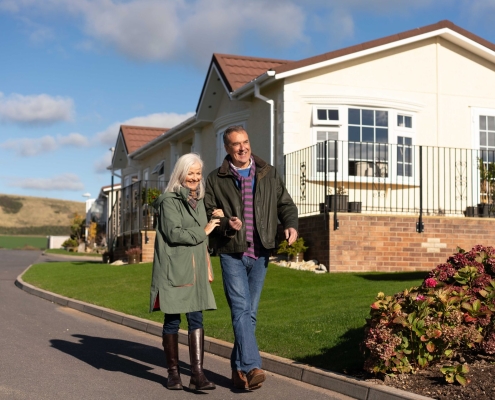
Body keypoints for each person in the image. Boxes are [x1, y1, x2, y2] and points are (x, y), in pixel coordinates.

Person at [204, 125, 298, 390]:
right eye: (236, 144)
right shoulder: (215, 179)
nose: (242, 148)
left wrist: (291, 224)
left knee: (250, 313)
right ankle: (253, 366)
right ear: (227, 148)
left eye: (245, 142)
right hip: (231, 252)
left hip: (261, 251)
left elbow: (285, 205)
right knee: (241, 309)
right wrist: (225, 226)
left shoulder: (268, 173)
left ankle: (238, 371)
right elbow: (210, 214)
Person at [149, 153, 223, 391]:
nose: (195, 178)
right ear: (180, 174)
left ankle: (197, 375)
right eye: (190, 173)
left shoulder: (200, 200)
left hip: (197, 268)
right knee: (172, 319)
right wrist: (205, 229)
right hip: (174, 269)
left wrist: (216, 219)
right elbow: (174, 233)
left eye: (198, 173)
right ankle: (173, 374)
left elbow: (204, 230)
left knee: (196, 318)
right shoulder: (169, 200)